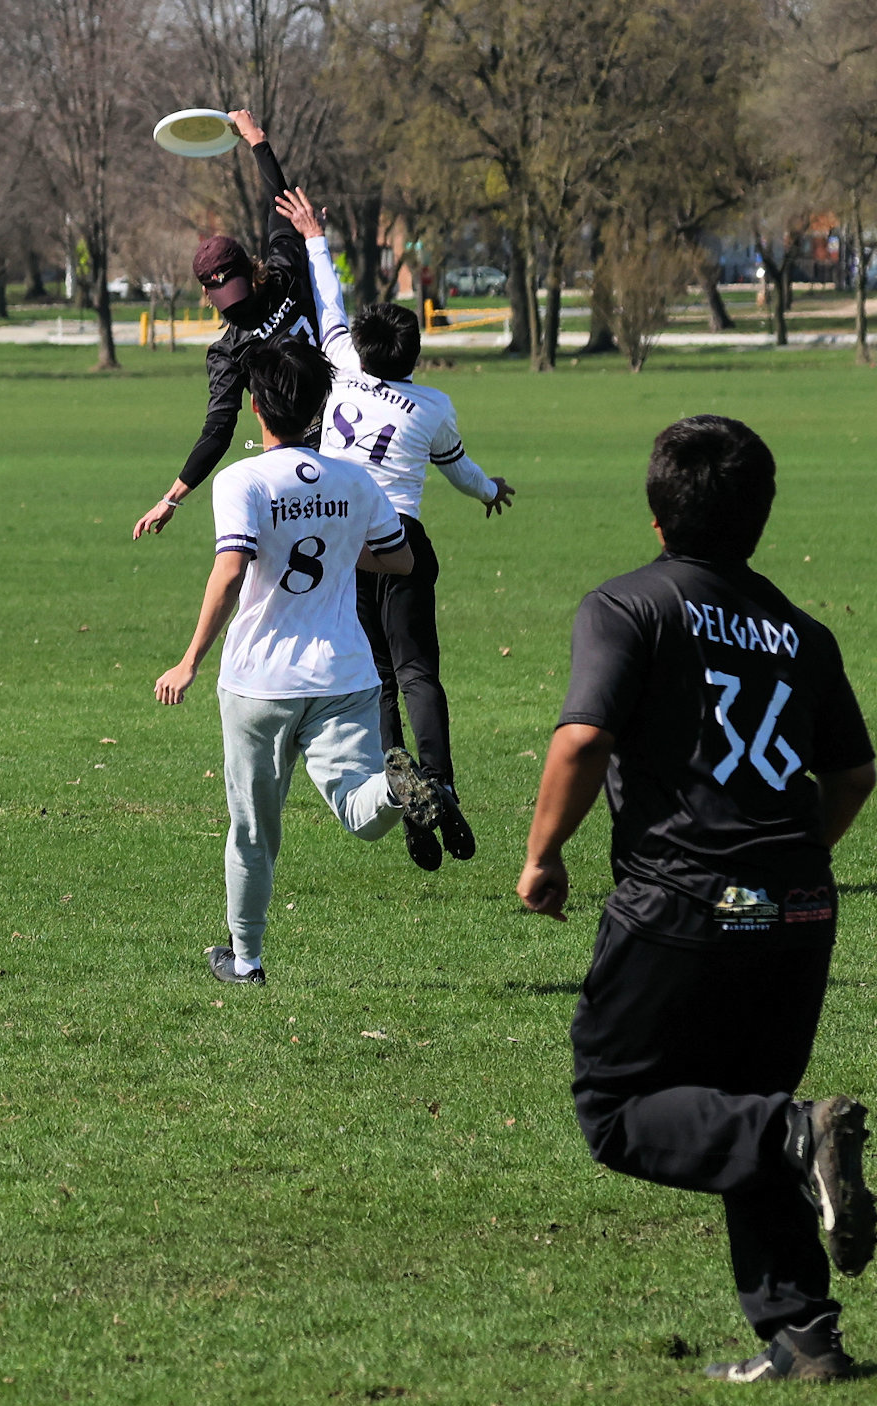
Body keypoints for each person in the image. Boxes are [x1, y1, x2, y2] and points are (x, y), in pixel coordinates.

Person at [516, 415, 877, 1382]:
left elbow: (582, 739)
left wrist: (543, 855)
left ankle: (795, 1136)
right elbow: (852, 776)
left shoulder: (628, 606)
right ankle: (803, 1336)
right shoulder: (803, 633)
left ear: (656, 514)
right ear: (762, 515)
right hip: (797, 912)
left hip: (686, 903)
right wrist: (790, 863)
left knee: (616, 1107)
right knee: (741, 1102)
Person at [155, 340, 445, 986]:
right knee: (358, 809)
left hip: (260, 682)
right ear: (321, 408)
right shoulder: (355, 479)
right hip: (345, 674)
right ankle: (397, 787)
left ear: (257, 407)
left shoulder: (243, 480)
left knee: (254, 830)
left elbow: (231, 570)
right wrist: (341, 547)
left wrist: (189, 660)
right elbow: (400, 560)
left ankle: (246, 960)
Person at [271, 187, 516, 872]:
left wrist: (316, 237)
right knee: (417, 670)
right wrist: (491, 491)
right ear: (414, 356)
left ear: (364, 350)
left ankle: (401, 789)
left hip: (346, 545)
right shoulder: (432, 406)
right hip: (402, 540)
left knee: (378, 675)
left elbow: (330, 302)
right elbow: (461, 472)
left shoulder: (341, 370)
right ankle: (441, 780)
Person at [132, 111, 318, 543]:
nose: (233, 308)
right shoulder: (280, 279)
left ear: (252, 272)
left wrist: (257, 139)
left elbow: (279, 200)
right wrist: (256, 140)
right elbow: (218, 429)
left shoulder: (239, 338)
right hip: (330, 447)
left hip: (315, 455)